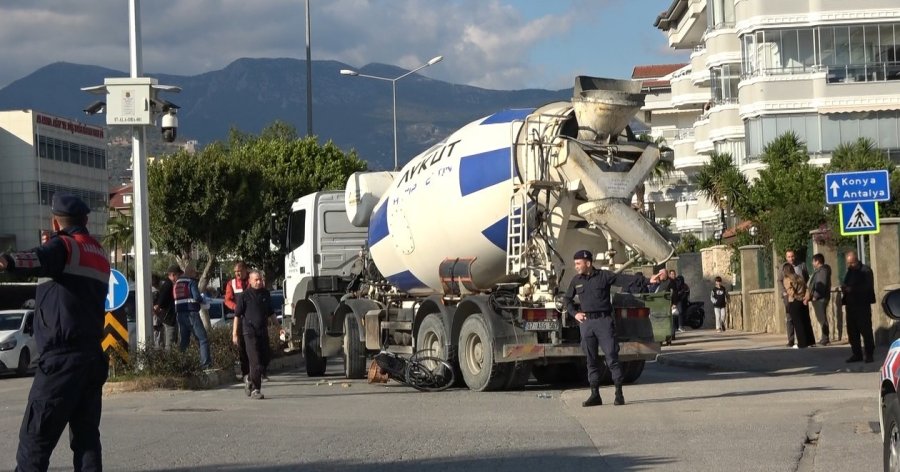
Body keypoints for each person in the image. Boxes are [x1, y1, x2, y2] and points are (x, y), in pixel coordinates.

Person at [0, 194, 110, 471]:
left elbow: (36, 258)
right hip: (91, 358)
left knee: (34, 443)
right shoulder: (98, 253)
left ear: (55, 221)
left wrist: (8, 261)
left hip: (61, 361)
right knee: (86, 440)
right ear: (85, 220)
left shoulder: (63, 247)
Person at [563, 249, 642, 407]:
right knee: (591, 360)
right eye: (575, 264)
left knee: (612, 357)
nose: (576, 266)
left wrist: (647, 281)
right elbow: (567, 298)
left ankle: (619, 394)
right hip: (587, 324)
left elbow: (624, 279)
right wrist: (575, 314)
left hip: (604, 321)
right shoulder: (576, 280)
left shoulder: (604, 276)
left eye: (578, 263)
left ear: (588, 263)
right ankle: (595, 395)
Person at [233, 270, 275, 399]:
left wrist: (279, 328)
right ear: (250, 281)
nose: (259, 281)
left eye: (260, 279)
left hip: (262, 331)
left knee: (265, 359)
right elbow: (237, 316)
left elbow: (271, 313)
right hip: (249, 332)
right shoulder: (244, 296)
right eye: (256, 280)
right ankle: (256, 389)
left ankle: (250, 379)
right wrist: (235, 333)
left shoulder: (266, 294)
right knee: (255, 361)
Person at [174, 265, 212, 369]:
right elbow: (196, 297)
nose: (196, 275)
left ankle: (181, 365)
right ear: (190, 272)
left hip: (180, 315)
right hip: (191, 314)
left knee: (184, 341)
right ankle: (206, 365)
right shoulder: (191, 282)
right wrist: (203, 299)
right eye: (195, 272)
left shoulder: (177, 283)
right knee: (203, 339)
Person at [841, 250, 875, 363]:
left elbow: (868, 287)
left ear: (856, 260)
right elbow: (846, 282)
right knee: (852, 332)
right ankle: (856, 354)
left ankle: (869, 354)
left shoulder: (865, 270)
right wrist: (844, 287)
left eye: (852, 263)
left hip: (862, 305)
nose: (850, 265)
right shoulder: (850, 271)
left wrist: (853, 289)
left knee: (865, 331)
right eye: (848, 263)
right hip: (850, 305)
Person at [225, 261, 251, 386]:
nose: (237, 274)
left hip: (253, 316)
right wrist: (236, 308)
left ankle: (259, 370)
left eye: (239, 271)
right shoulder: (232, 284)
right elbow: (227, 300)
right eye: (235, 272)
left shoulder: (253, 280)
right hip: (240, 318)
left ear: (245, 270)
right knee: (242, 346)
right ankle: (245, 372)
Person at [778, 250, 809, 347]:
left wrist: (805, 293)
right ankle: (791, 340)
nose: (791, 258)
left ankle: (805, 339)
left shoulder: (801, 265)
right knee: (790, 318)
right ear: (786, 257)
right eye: (789, 257)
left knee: (802, 317)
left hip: (801, 296)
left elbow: (806, 278)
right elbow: (779, 280)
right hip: (789, 296)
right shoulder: (783, 268)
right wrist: (784, 292)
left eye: (792, 256)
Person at [782, 263, 815, 349]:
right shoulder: (799, 277)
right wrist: (805, 298)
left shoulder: (787, 279)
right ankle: (810, 341)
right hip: (803, 301)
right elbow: (807, 288)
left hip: (795, 302)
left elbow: (791, 291)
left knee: (798, 323)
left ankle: (802, 343)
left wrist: (796, 297)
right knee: (806, 321)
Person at [805, 254, 832, 346]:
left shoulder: (822, 271)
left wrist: (815, 296)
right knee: (821, 318)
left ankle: (825, 338)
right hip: (820, 298)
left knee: (822, 318)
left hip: (820, 298)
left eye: (813, 261)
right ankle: (824, 338)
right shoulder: (819, 271)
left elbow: (821, 285)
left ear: (817, 261)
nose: (812, 263)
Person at [154, 265, 182, 350]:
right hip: (168, 319)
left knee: (171, 342)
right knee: (170, 344)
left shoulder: (169, 284)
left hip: (168, 318)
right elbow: (160, 301)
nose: (179, 276)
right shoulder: (168, 285)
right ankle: (169, 361)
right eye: (178, 275)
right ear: (173, 275)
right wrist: (158, 309)